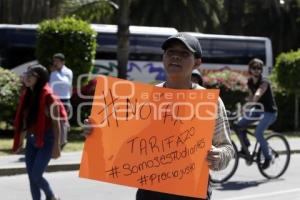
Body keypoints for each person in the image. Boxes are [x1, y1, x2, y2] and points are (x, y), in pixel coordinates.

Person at [83, 33, 234, 200]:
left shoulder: (210, 102)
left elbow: (227, 148)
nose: (175, 57)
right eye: (170, 52)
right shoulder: (145, 98)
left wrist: (218, 156)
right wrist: (96, 133)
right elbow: (123, 141)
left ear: (197, 62)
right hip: (150, 192)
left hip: (192, 191)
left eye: (184, 53)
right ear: (163, 58)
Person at [12, 64, 66, 200]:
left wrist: (57, 146)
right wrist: (20, 141)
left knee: (36, 175)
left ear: (40, 78)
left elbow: (56, 123)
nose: (27, 77)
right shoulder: (27, 95)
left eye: (31, 75)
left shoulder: (49, 97)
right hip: (31, 139)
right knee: (31, 177)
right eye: (26, 74)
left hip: (47, 139)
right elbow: (25, 122)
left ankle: (51, 196)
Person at [235, 58, 277, 169]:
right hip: (258, 110)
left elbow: (258, 93)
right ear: (250, 69)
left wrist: (251, 102)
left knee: (258, 133)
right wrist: (245, 107)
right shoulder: (249, 81)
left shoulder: (265, 81)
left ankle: (268, 157)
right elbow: (251, 96)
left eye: (259, 68)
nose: (257, 70)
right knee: (239, 125)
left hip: (269, 112)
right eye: (254, 68)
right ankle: (245, 147)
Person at [49, 53, 73, 148]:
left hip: (64, 99)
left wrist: (55, 73)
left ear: (63, 62)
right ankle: (55, 140)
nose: (55, 63)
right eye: (54, 61)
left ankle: (63, 141)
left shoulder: (67, 72)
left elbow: (65, 83)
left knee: (62, 121)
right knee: (53, 120)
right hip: (53, 98)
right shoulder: (52, 71)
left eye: (57, 61)